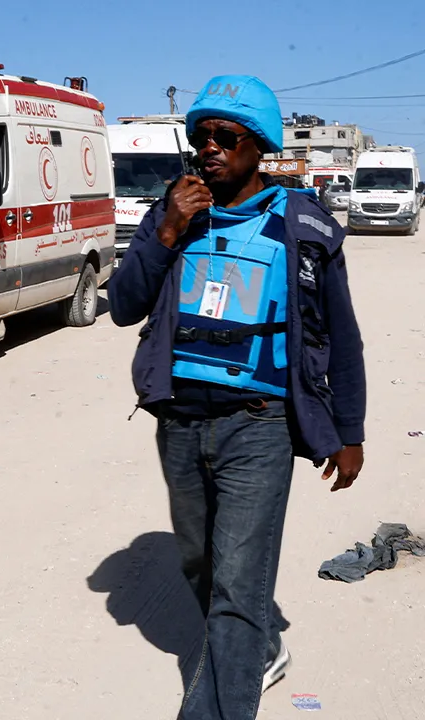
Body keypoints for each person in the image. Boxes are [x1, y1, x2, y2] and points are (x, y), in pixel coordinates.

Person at [109, 75, 367, 720]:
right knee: (202, 564)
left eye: (227, 137)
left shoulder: (303, 225)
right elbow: (122, 306)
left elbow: (342, 335)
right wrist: (169, 227)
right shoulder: (172, 213)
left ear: (261, 146)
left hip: (261, 423)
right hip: (180, 421)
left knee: (236, 585)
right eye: (202, 138)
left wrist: (350, 428)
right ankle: (261, 649)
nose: (210, 149)